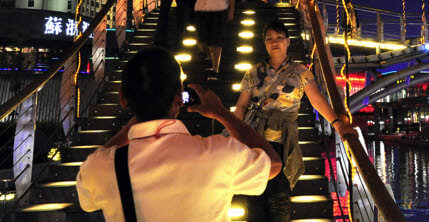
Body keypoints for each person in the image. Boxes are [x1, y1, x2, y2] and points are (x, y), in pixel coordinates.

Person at [75, 47, 281, 222]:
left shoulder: (103, 166)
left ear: (122, 99)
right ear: (179, 98)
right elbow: (273, 163)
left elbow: (86, 196)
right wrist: (222, 113)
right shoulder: (218, 152)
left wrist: (136, 119)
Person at [233, 20, 355, 222]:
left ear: (288, 41)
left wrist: (337, 123)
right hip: (254, 137)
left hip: (282, 139)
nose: (275, 42)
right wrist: (236, 135)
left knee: (279, 195)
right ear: (264, 43)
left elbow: (317, 100)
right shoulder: (253, 72)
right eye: (269, 38)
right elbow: (242, 106)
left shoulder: (300, 72)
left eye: (279, 37)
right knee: (253, 195)